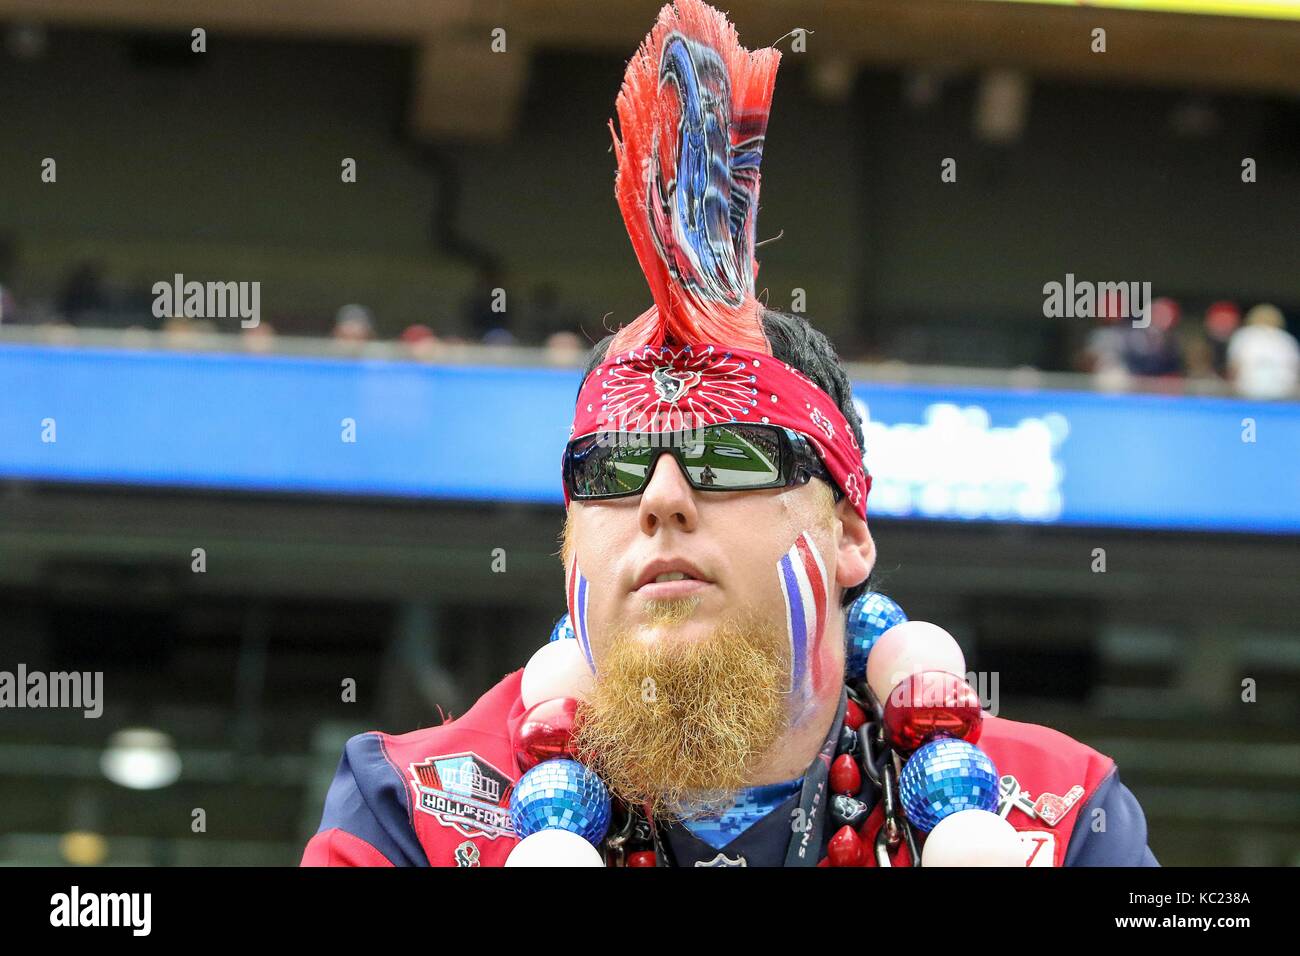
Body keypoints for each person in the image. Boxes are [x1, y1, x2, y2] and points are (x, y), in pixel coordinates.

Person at [302, 0, 1156, 868]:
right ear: (567, 547)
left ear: (850, 534)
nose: (662, 500)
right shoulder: (412, 813)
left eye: (729, 456)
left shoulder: (1061, 816)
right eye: (613, 470)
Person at [1226, 303, 1299, 400]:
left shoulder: (1243, 335)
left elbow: (1234, 368)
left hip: (1249, 391)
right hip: (1281, 392)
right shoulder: (1287, 339)